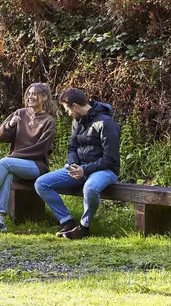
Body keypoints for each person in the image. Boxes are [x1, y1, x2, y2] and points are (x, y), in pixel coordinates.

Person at [0, 83, 58, 234]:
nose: (31, 97)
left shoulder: (49, 121)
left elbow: (41, 150)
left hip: (37, 166)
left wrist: (14, 157)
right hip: (15, 164)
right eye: (29, 94)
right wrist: (10, 125)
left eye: (35, 94)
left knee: (5, 163)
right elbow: (1, 137)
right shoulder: (19, 113)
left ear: (44, 97)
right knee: (6, 174)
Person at [34, 88, 121, 238]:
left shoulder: (107, 124)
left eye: (67, 109)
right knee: (41, 183)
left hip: (105, 170)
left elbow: (110, 159)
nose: (68, 114)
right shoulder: (77, 121)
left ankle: (84, 227)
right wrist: (73, 164)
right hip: (81, 168)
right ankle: (67, 222)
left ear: (75, 106)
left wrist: (84, 170)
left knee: (90, 188)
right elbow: (72, 147)